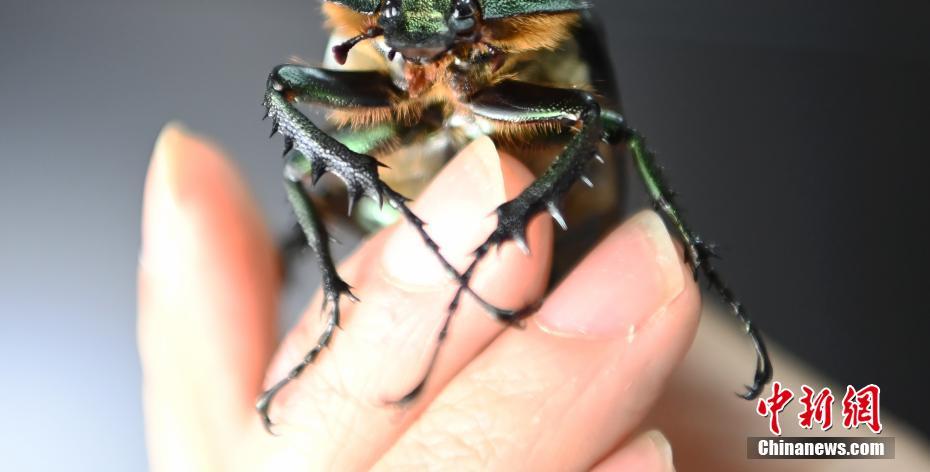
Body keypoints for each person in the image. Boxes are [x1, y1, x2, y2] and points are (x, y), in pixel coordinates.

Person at [138, 124, 929, 471]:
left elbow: (598, 124)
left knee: (598, 126)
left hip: (560, 206)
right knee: (299, 174)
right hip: (409, 196)